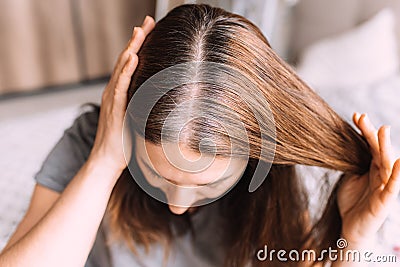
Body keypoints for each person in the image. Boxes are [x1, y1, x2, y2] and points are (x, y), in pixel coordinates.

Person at [1, 4, 399, 267]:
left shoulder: (282, 173)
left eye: (204, 185)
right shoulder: (93, 141)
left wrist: (354, 239)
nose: (176, 205)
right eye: (155, 175)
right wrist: (104, 163)